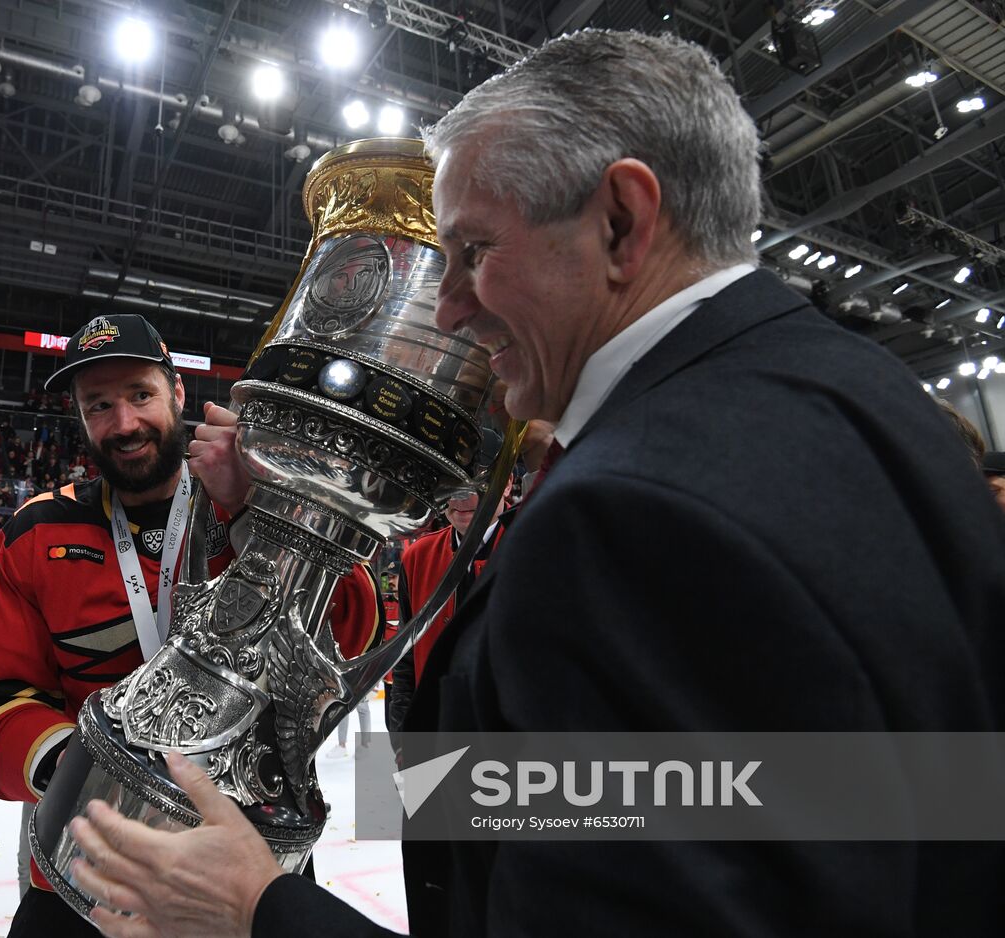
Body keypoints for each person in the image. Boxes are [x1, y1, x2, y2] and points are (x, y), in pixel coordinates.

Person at [67, 29, 1005, 938]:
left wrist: (260, 909)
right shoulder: (878, 403)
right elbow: (829, 787)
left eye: (474, 251)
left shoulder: (630, 511)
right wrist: (396, 784)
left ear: (622, 223)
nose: (447, 306)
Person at [0, 314, 382, 937]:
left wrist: (254, 509)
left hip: (246, 863)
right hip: (90, 868)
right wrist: (88, 773)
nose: (123, 424)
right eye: (99, 405)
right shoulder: (39, 531)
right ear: (80, 416)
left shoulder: (259, 497)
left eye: (140, 395)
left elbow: (349, 637)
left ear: (179, 395)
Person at [385, 472, 512, 734]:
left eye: (476, 483)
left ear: (508, 482)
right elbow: (406, 657)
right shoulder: (417, 556)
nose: (460, 497)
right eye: (450, 484)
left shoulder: (535, 544)